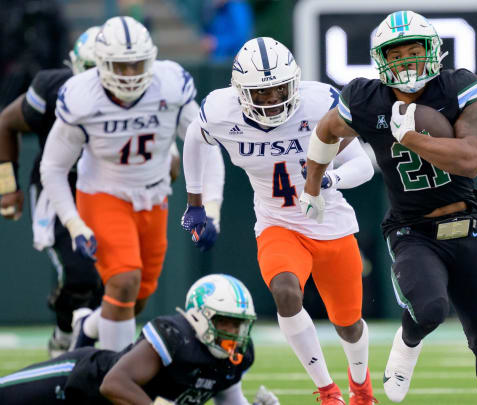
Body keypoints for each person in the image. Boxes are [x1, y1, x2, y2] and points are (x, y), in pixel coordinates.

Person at [301, 10, 477, 404]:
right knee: (430, 309)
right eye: (397, 56)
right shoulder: (366, 98)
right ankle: (408, 342)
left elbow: (472, 158)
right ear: (382, 61)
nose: (407, 62)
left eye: (415, 52)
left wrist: (410, 138)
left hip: (467, 222)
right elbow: (327, 130)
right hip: (412, 229)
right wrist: (312, 185)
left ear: (433, 51)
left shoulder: (460, 88)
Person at [181, 37, 376, 404]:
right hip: (277, 223)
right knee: (286, 293)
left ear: (295, 82)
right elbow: (195, 138)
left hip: (330, 222)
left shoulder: (321, 103)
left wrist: (324, 183)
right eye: (261, 92)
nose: (272, 99)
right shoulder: (221, 111)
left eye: (278, 89)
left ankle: (361, 387)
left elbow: (364, 165)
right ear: (240, 92)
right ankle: (328, 391)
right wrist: (195, 203)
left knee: (348, 324)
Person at [39, 16, 224, 353]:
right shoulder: (83, 97)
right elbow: (52, 166)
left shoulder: (170, 85)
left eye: (136, 64)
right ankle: (113, 374)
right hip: (102, 194)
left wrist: (210, 208)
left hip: (154, 197)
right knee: (124, 281)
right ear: (102, 64)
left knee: (136, 299)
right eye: (120, 66)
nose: (129, 74)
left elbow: (204, 144)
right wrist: (74, 222)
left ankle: (88, 324)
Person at [0, 273, 280, 405]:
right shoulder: (176, 337)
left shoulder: (235, 358)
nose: (234, 332)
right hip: (76, 382)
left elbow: (229, 399)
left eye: (240, 324)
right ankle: (86, 328)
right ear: (199, 316)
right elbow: (114, 384)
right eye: (226, 322)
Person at [0, 26, 105, 359]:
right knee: (80, 273)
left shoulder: (144, 97)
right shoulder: (52, 89)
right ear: (75, 65)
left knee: (114, 279)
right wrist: (7, 187)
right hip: (60, 187)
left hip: (110, 189)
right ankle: (64, 335)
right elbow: (6, 123)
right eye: (93, 68)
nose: (103, 79)